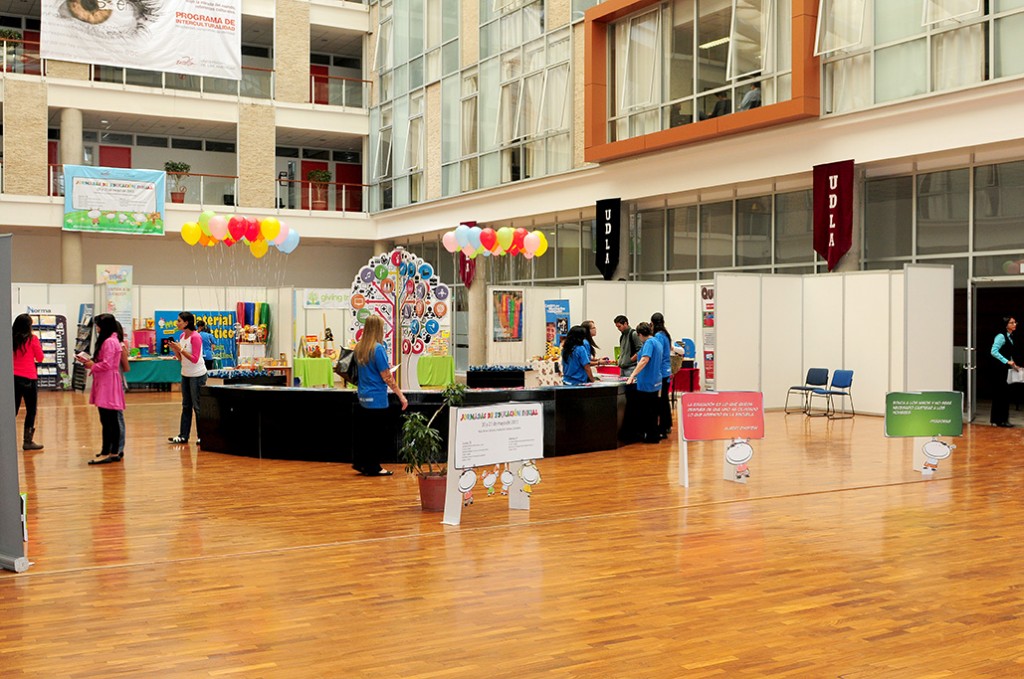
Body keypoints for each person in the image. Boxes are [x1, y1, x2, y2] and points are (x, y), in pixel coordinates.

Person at [353, 314, 407, 476]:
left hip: (363, 395)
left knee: (365, 434)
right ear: (378, 329)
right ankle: (374, 467)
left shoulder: (359, 348)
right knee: (376, 435)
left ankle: (362, 463)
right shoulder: (378, 349)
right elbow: (387, 377)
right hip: (377, 397)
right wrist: (401, 395)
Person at [77, 314, 126, 465]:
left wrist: (92, 365)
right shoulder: (111, 340)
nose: (97, 328)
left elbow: (107, 364)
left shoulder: (110, 342)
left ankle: (108, 452)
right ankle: (112, 451)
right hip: (106, 381)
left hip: (108, 382)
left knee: (108, 419)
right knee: (109, 419)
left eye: (98, 325)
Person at [168, 311, 207, 444]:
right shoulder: (182, 336)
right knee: (186, 405)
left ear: (186, 322)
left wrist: (181, 349)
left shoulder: (195, 337)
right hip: (186, 374)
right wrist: (175, 349)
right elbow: (181, 359)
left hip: (197, 375)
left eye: (179, 321)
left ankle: (203, 436)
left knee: (198, 406)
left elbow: (195, 359)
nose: (177, 323)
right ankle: (183, 435)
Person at [627, 322, 663, 444]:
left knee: (647, 410)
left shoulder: (649, 343)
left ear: (640, 334)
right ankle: (653, 434)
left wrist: (632, 375)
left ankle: (649, 435)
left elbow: (644, 360)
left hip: (647, 381)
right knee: (653, 410)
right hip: (655, 380)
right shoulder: (657, 342)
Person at [12, 313, 44, 451]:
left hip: (13, 377)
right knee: (31, 410)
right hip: (29, 378)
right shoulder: (33, 339)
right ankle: (27, 441)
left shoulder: (10, 339)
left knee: (12, 409)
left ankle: (5, 437)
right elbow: (40, 358)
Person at [990, 316, 1019, 427]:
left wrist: (1013, 364)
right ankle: (998, 420)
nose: (1014, 324)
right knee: (1000, 394)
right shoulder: (1001, 336)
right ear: (1006, 325)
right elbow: (993, 351)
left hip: (1006, 369)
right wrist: (1006, 361)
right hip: (999, 369)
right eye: (1012, 323)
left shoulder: (1010, 337)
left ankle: (1002, 419)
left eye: (1015, 322)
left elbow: (1008, 353)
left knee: (1004, 394)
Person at [651, 312, 673, 436]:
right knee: (665, 399)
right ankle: (667, 424)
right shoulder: (666, 335)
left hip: (661, 372)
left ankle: (663, 426)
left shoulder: (658, 336)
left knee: (661, 400)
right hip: (667, 370)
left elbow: (658, 354)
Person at [115, 321, 130, 458]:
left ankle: (119, 448)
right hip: (109, 384)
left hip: (118, 383)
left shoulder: (121, 346)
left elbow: (126, 367)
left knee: (118, 416)